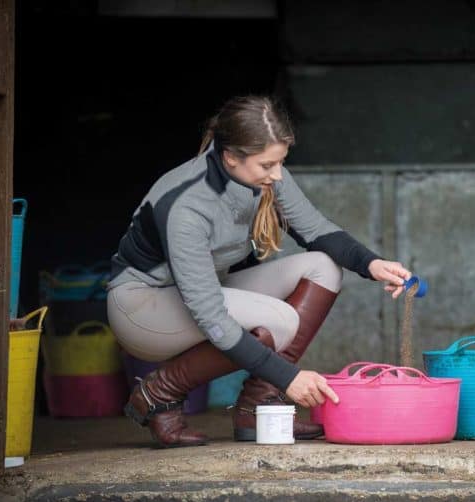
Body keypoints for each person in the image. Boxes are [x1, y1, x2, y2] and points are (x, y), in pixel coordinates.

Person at [106, 95, 412, 448]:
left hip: (202, 290)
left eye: (280, 162)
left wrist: (371, 264)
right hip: (143, 308)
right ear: (232, 156)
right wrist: (289, 377)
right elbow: (212, 317)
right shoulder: (187, 206)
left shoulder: (259, 172)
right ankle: (159, 392)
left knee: (323, 267)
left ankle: (259, 405)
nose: (277, 174)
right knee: (280, 321)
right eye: (268, 165)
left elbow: (315, 230)